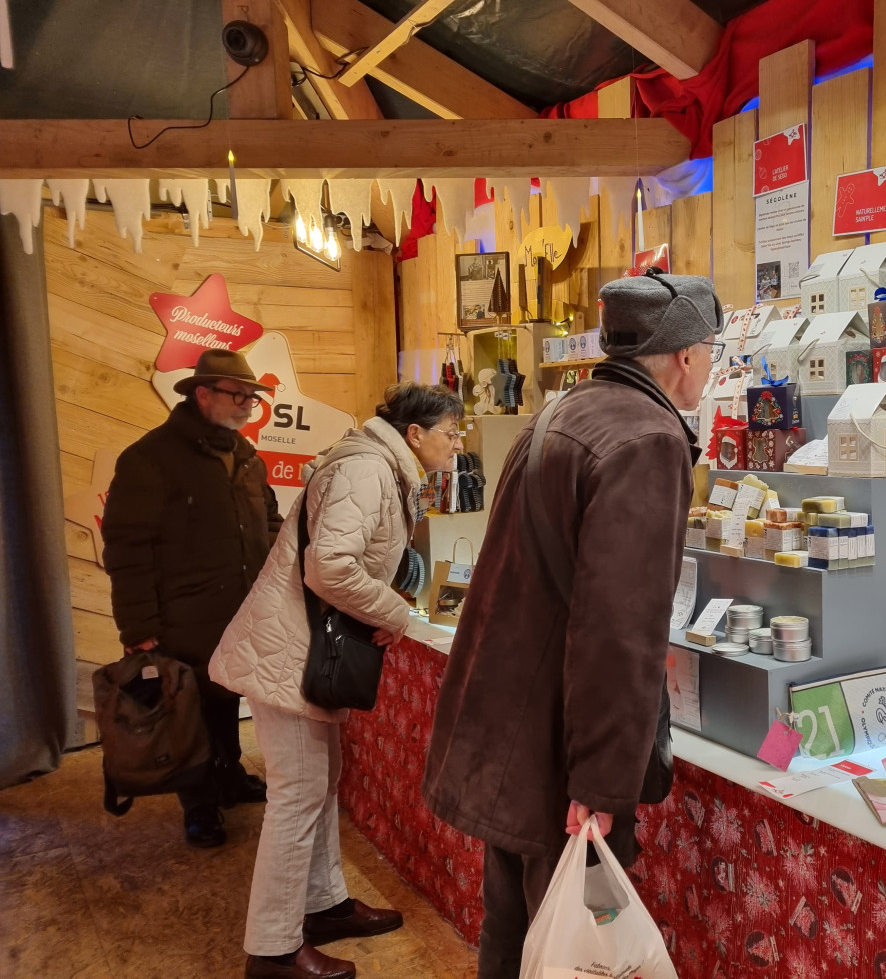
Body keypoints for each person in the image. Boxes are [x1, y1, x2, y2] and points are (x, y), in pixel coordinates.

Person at [422, 270, 723, 979]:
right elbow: (619, 631)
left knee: (519, 931)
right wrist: (601, 781)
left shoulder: (561, 414)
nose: (711, 365)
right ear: (684, 355)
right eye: (711, 349)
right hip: (562, 757)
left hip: (509, 738)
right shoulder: (648, 439)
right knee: (579, 951)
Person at [210, 382, 464, 979]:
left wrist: (381, 602)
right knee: (297, 797)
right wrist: (394, 612)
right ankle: (271, 950)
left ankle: (323, 906)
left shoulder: (376, 466)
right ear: (415, 434)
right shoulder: (369, 472)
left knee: (320, 784)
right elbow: (329, 567)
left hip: (299, 648)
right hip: (289, 655)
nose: (457, 446)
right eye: (451, 433)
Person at [103, 348, 280, 848]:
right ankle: (199, 805)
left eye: (252, 395)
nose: (248, 404)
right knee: (188, 711)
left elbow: (267, 523)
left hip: (238, 611)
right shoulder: (149, 458)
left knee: (224, 699)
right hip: (181, 616)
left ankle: (228, 777)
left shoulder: (245, 457)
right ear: (202, 394)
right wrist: (137, 628)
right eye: (238, 394)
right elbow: (127, 548)